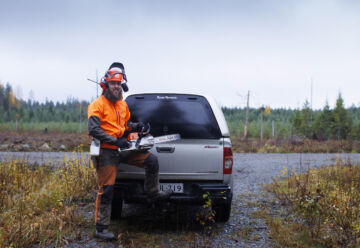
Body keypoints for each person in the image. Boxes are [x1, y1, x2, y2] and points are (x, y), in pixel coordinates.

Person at [88, 65, 172, 240]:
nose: (117, 86)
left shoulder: (122, 105)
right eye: (113, 83)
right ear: (106, 84)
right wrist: (114, 140)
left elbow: (125, 126)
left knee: (151, 161)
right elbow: (94, 130)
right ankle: (101, 228)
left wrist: (137, 126)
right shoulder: (97, 105)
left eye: (119, 83)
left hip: (123, 148)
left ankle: (152, 193)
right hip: (106, 152)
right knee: (107, 190)